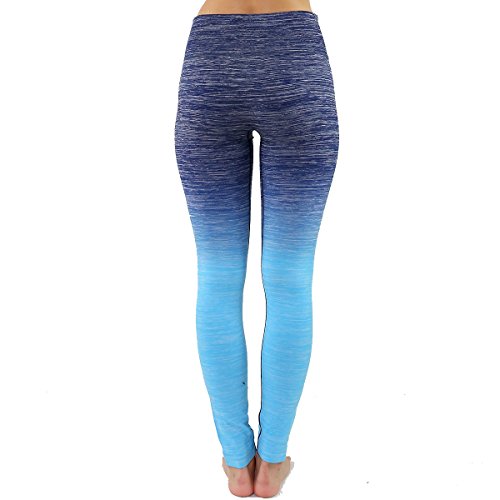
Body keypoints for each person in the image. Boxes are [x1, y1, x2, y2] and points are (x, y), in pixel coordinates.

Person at [174, 0, 339, 496]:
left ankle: (235, 461)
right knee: (290, 276)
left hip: (211, 59)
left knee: (218, 274)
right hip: (295, 59)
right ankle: (272, 459)